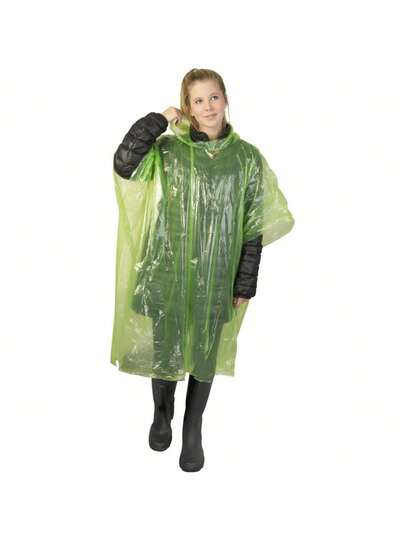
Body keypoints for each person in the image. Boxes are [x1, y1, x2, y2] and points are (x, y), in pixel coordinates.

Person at [111, 68, 295, 472]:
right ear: (188, 108)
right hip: (167, 268)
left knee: (206, 351)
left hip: (218, 276)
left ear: (225, 98)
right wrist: (160, 119)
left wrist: (245, 281)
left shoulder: (247, 158)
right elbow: (124, 163)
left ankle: (192, 427)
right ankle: (163, 414)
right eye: (198, 100)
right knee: (167, 347)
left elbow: (252, 227)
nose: (208, 107)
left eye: (214, 97)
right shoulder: (168, 150)